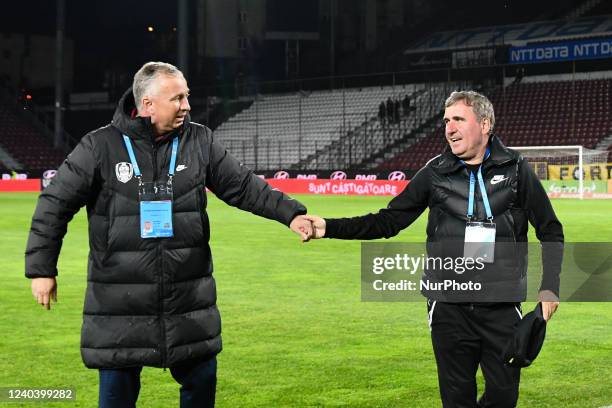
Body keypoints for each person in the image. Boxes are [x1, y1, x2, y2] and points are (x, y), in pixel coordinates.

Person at [25, 61, 313, 408]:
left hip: (188, 298)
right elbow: (54, 205)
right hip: (120, 302)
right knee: (117, 394)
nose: (186, 105)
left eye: (187, 96)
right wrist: (42, 269)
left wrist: (290, 213)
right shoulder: (100, 146)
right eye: (177, 98)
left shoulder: (200, 140)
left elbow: (243, 187)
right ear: (148, 104)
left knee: (202, 382)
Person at [302, 90, 563, 407]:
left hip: (501, 306)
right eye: (446, 121)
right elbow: (389, 221)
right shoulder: (434, 172)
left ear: (484, 124)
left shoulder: (517, 170)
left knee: (503, 396)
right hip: (448, 305)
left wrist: (550, 286)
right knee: (456, 399)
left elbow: (550, 228)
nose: (449, 128)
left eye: (458, 119)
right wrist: (329, 227)